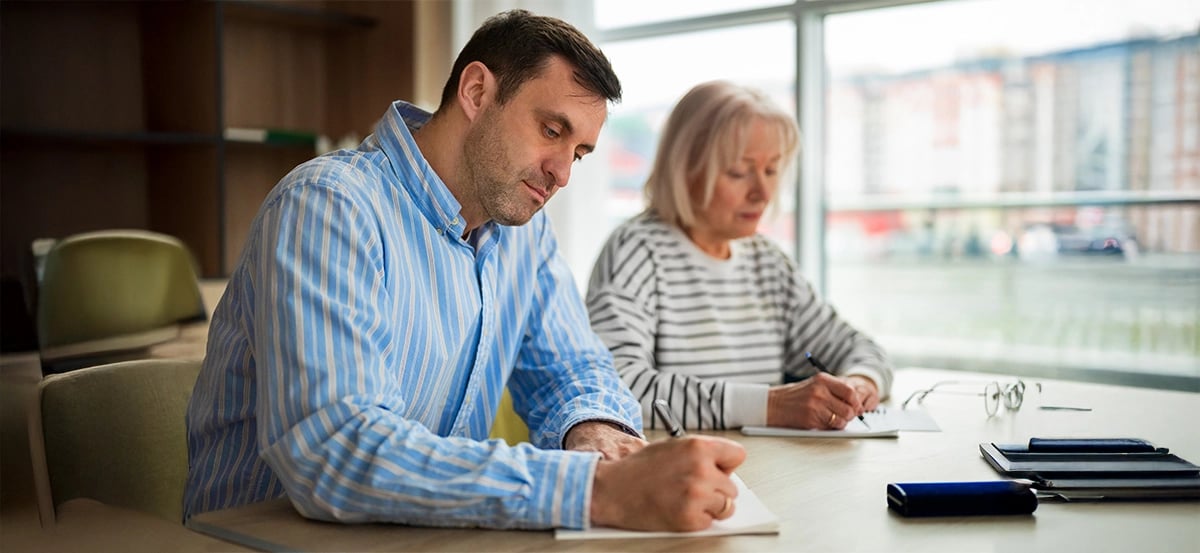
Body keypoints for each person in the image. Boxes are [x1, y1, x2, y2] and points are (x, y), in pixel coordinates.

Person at [185, 10, 745, 532]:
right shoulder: (329, 207)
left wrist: (596, 433)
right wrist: (594, 488)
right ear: (476, 92)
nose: (562, 174)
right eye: (552, 131)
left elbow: (572, 367)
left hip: (420, 537)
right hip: (258, 540)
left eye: (578, 153)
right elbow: (335, 451)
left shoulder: (524, 235)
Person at [586, 80, 893, 432]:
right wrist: (771, 406)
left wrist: (859, 383)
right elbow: (616, 387)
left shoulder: (767, 262)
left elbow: (861, 349)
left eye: (771, 170)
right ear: (686, 169)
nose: (762, 192)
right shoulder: (636, 252)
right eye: (739, 172)